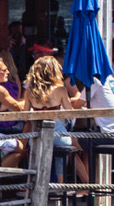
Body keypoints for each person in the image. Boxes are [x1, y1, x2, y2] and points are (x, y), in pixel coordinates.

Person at [25, 55, 91, 185]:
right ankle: (61, 184)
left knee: (42, 154)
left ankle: (39, 183)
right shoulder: (60, 90)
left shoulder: (29, 91)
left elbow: (26, 115)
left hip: (37, 136)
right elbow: (70, 115)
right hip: (59, 135)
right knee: (75, 148)